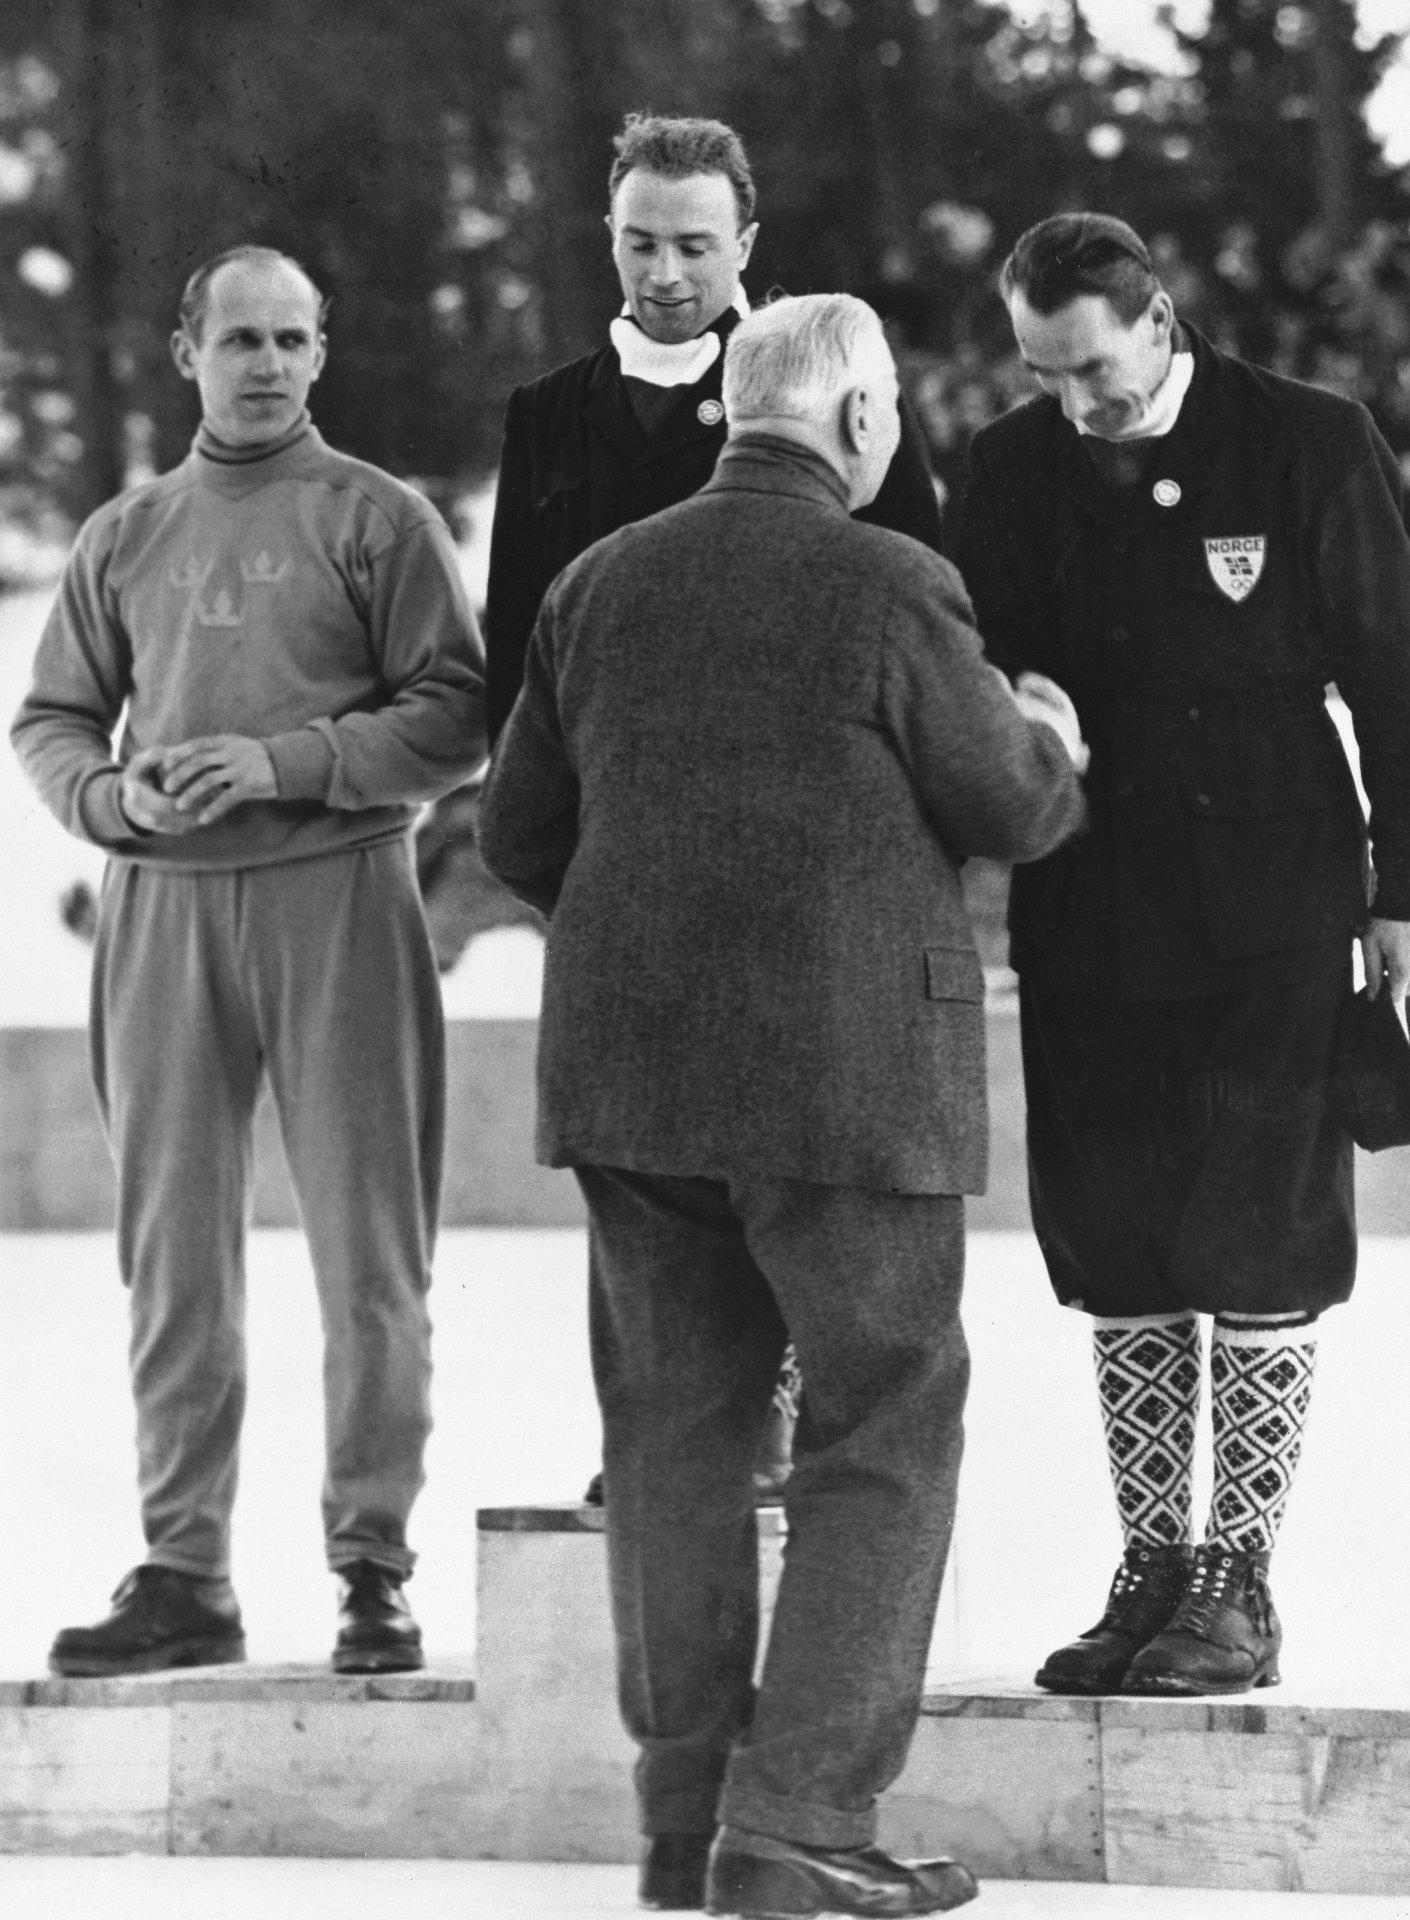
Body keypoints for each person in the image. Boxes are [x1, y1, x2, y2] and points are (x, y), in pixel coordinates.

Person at [479, 293, 1086, 1918]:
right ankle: (801, 1819)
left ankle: (685, 1826)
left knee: (672, 1440)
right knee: (881, 1425)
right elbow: (1007, 805)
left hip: (628, 1082)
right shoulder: (894, 579)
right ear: (861, 421)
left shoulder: (595, 581)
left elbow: (519, 835)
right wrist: (1044, 730)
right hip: (846, 1082)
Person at [949, 212, 1410, 1698]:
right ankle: (1153, 1562)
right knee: (1117, 1236)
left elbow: (1394, 677)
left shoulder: (1307, 441)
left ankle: (1239, 1579)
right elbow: (969, 664)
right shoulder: (1009, 469)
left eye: (1089, 368)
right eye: (1042, 372)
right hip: (1087, 899)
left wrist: (1399, 892)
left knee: (1259, 1226)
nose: (1071, 403)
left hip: (1273, 903)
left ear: (1159, 320)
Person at [11, 245, 486, 1677]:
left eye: (292, 338)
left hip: (337, 893)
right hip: (160, 916)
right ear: (187, 352)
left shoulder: (377, 519)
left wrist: (286, 759)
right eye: (241, 338)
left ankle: (368, 1563)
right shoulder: (127, 533)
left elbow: (458, 715)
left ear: (322, 354)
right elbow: (52, 720)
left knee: (370, 1254)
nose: (267, 362)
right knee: (173, 1259)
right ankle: (183, 1570)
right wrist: (110, 800)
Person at [476, 108, 946, 1507]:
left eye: (693, 243)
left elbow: (915, 603)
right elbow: (521, 669)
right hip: (625, 888)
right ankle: (665, 1451)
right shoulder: (547, 416)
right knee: (643, 1192)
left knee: (791, 1179)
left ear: (748, 243)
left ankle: (785, 1421)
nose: (665, 271)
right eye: (637, 241)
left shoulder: (827, 384)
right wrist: (585, 880)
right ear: (603, 238)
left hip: (802, 888)